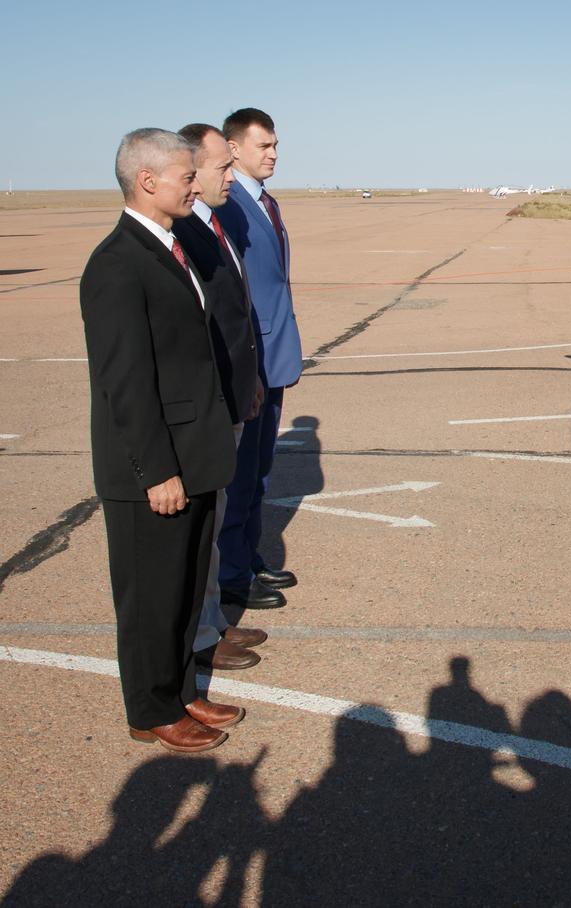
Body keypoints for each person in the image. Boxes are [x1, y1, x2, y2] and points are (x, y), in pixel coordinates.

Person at [80, 128, 245, 752]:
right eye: (185, 174)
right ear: (147, 181)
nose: (195, 183)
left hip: (192, 454)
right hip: (153, 467)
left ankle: (181, 692)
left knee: (181, 587)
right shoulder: (117, 263)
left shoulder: (171, 248)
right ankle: (151, 710)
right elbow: (124, 381)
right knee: (151, 596)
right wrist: (156, 471)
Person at [173, 123, 271, 672]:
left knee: (217, 521)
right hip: (209, 406)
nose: (229, 175)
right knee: (204, 531)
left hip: (234, 395)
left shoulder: (215, 224)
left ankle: (212, 625)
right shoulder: (186, 234)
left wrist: (249, 377)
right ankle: (202, 634)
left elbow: (236, 317)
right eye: (220, 167)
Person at [216, 108, 303, 609]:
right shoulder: (229, 206)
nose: (273, 154)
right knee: (240, 471)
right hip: (251, 360)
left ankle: (247, 558)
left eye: (275, 146)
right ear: (233, 148)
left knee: (259, 469)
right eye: (263, 146)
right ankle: (231, 575)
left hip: (273, 355)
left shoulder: (264, 202)